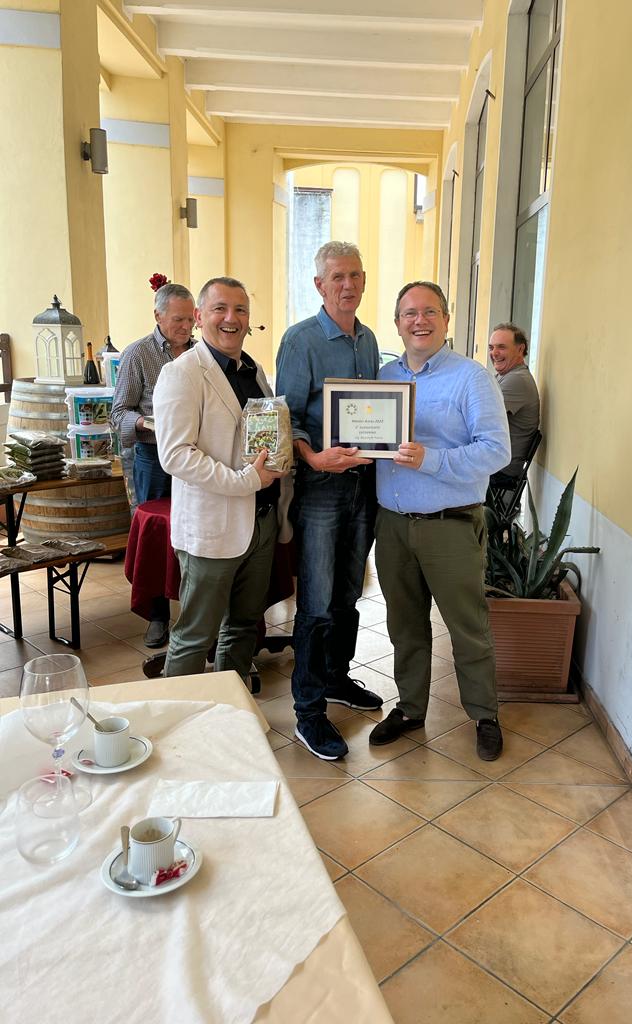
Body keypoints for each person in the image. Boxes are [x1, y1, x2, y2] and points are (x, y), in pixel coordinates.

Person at [369, 282, 510, 761]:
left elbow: (496, 451)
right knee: (404, 626)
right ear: (397, 323)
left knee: (467, 628)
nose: (420, 321)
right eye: (410, 313)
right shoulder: (384, 377)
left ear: (446, 320)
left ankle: (484, 715)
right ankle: (411, 709)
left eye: (430, 312)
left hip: (449, 525)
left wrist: (430, 459)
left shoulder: (471, 378)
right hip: (392, 526)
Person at [276, 241, 383, 761]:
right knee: (316, 605)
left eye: (355, 275)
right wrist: (315, 459)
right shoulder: (301, 341)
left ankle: (337, 678)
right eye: (337, 276)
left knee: (347, 597)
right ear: (319, 284)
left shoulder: (369, 340)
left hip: (364, 487)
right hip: (321, 489)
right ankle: (309, 711)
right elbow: (287, 418)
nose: (348, 285)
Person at [153, 277, 289, 680]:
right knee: (195, 636)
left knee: (244, 626)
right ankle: (180, 712)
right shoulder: (181, 373)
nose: (231, 318)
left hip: (260, 523)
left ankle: (232, 704)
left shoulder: (253, 370)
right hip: (212, 527)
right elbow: (176, 455)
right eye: (220, 308)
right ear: (199, 317)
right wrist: (246, 481)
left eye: (240, 310)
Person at [110, 282, 195, 648]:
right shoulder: (138, 354)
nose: (186, 327)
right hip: (154, 457)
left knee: (195, 529)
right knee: (158, 538)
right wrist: (146, 423)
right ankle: (158, 616)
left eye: (191, 319)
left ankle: (196, 612)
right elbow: (118, 413)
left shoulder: (201, 353)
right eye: (178, 319)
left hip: (195, 456)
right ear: (158, 316)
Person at [487, 323, 540, 485]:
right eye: (491, 347)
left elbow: (482, 417)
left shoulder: (517, 380)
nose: (494, 353)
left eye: (501, 347)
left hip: (502, 468)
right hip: (496, 461)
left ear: (520, 349)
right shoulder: (505, 376)